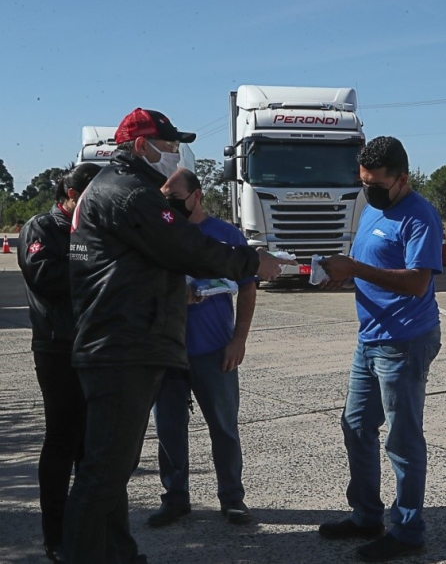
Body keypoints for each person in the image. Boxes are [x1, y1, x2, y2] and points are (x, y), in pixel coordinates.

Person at [62, 108, 293, 564]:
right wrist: (251, 262)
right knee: (102, 474)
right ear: (141, 146)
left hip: (122, 344)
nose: (174, 155)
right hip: (122, 349)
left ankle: (117, 553)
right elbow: (185, 246)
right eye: (168, 146)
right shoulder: (128, 194)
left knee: (112, 469)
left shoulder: (118, 189)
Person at [316, 136, 443, 563]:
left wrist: (354, 268)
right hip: (370, 339)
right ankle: (367, 515)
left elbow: (416, 282)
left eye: (375, 183)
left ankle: (408, 531)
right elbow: (371, 267)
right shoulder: (375, 208)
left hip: (404, 342)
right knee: (356, 428)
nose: (367, 189)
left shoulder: (419, 216)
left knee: (403, 440)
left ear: (402, 178)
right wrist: (345, 273)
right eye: (363, 181)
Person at [148, 168, 256, 527]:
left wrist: (238, 340)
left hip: (215, 351)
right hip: (168, 352)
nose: (169, 205)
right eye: (164, 198)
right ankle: (175, 499)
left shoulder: (225, 236)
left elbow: (248, 287)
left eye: (175, 198)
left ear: (196, 197)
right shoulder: (161, 234)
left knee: (224, 428)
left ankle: (232, 499)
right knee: (169, 429)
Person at [17, 163, 102, 562]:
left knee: (93, 445)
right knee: (62, 441)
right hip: (58, 349)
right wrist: (93, 268)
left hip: (96, 348)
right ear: (70, 195)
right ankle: (55, 535)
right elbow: (44, 278)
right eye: (89, 196)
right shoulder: (42, 228)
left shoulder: (92, 228)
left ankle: (87, 528)